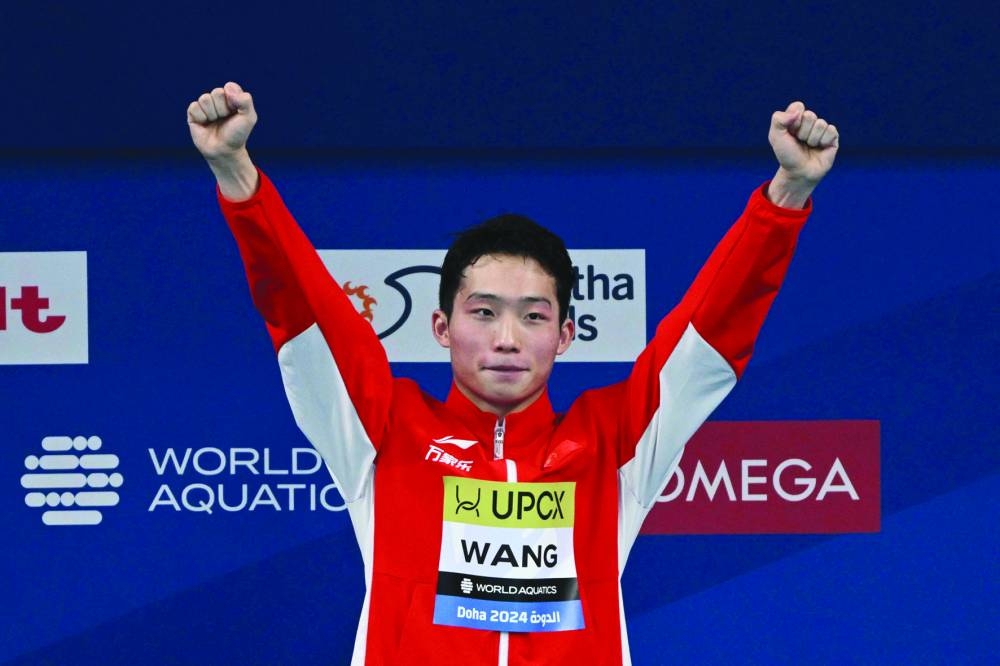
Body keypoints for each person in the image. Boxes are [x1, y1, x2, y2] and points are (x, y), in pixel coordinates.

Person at [187, 82, 838, 666]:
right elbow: (305, 314)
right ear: (442, 329)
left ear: (565, 335)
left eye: (532, 316)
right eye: (483, 312)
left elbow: (705, 337)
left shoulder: (615, 444)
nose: (505, 338)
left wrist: (786, 196)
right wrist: (236, 174)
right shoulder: (385, 432)